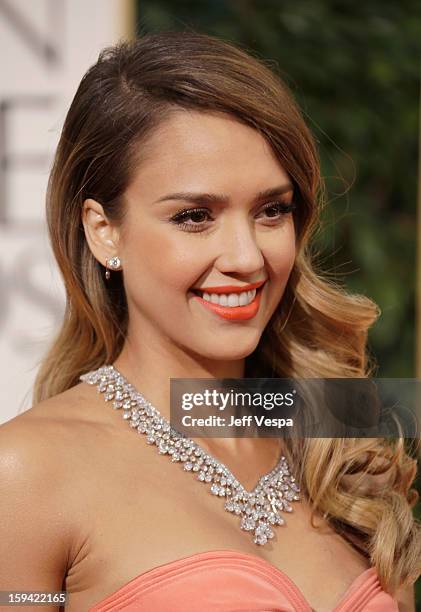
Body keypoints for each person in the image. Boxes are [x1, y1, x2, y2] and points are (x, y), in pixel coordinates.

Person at [0, 31, 419, 612]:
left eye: (272, 210)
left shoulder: (343, 444)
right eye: (195, 216)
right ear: (104, 231)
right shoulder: (26, 472)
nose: (248, 257)